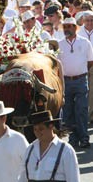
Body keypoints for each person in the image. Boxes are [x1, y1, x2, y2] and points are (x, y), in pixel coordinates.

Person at [58, 17, 93, 148]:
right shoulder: (59, 44)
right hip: (66, 81)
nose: (67, 29)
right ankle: (73, 139)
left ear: (75, 27)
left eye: (69, 26)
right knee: (68, 111)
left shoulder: (85, 43)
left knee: (82, 109)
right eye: (65, 26)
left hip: (80, 80)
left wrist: (80, 72)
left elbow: (90, 61)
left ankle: (84, 137)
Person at [18, 110, 80, 182]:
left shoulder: (66, 151)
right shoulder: (30, 149)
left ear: (51, 127)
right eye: (35, 129)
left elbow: (73, 179)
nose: (37, 133)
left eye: (41, 129)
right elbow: (23, 178)